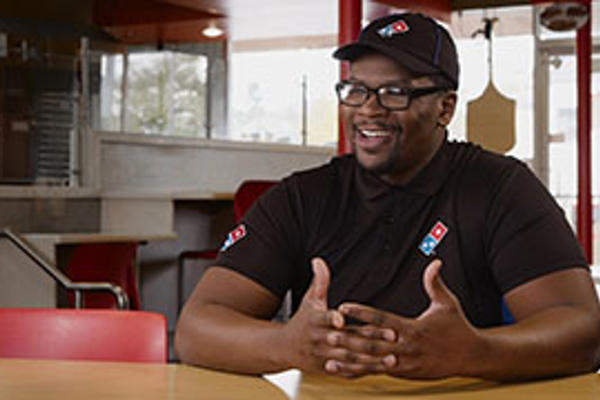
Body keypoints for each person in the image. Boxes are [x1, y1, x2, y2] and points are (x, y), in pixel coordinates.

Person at [175, 13, 600, 381]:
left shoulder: (500, 187)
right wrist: (288, 345)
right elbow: (195, 329)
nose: (368, 109)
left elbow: (583, 331)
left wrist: (473, 352)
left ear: (445, 108)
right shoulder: (303, 197)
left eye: (395, 92)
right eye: (356, 90)